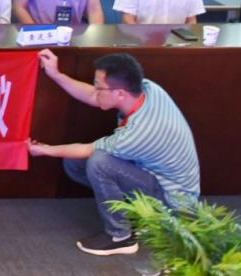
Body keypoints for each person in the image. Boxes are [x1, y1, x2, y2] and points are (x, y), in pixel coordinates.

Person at [28, 51, 199, 257]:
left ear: (120, 93)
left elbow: (87, 149)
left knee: (99, 162)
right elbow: (92, 96)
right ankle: (135, 214)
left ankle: (120, 236)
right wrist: (56, 75)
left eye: (99, 87)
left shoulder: (139, 132)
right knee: (74, 163)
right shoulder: (148, 89)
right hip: (153, 176)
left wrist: (44, 150)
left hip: (173, 203)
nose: (96, 90)